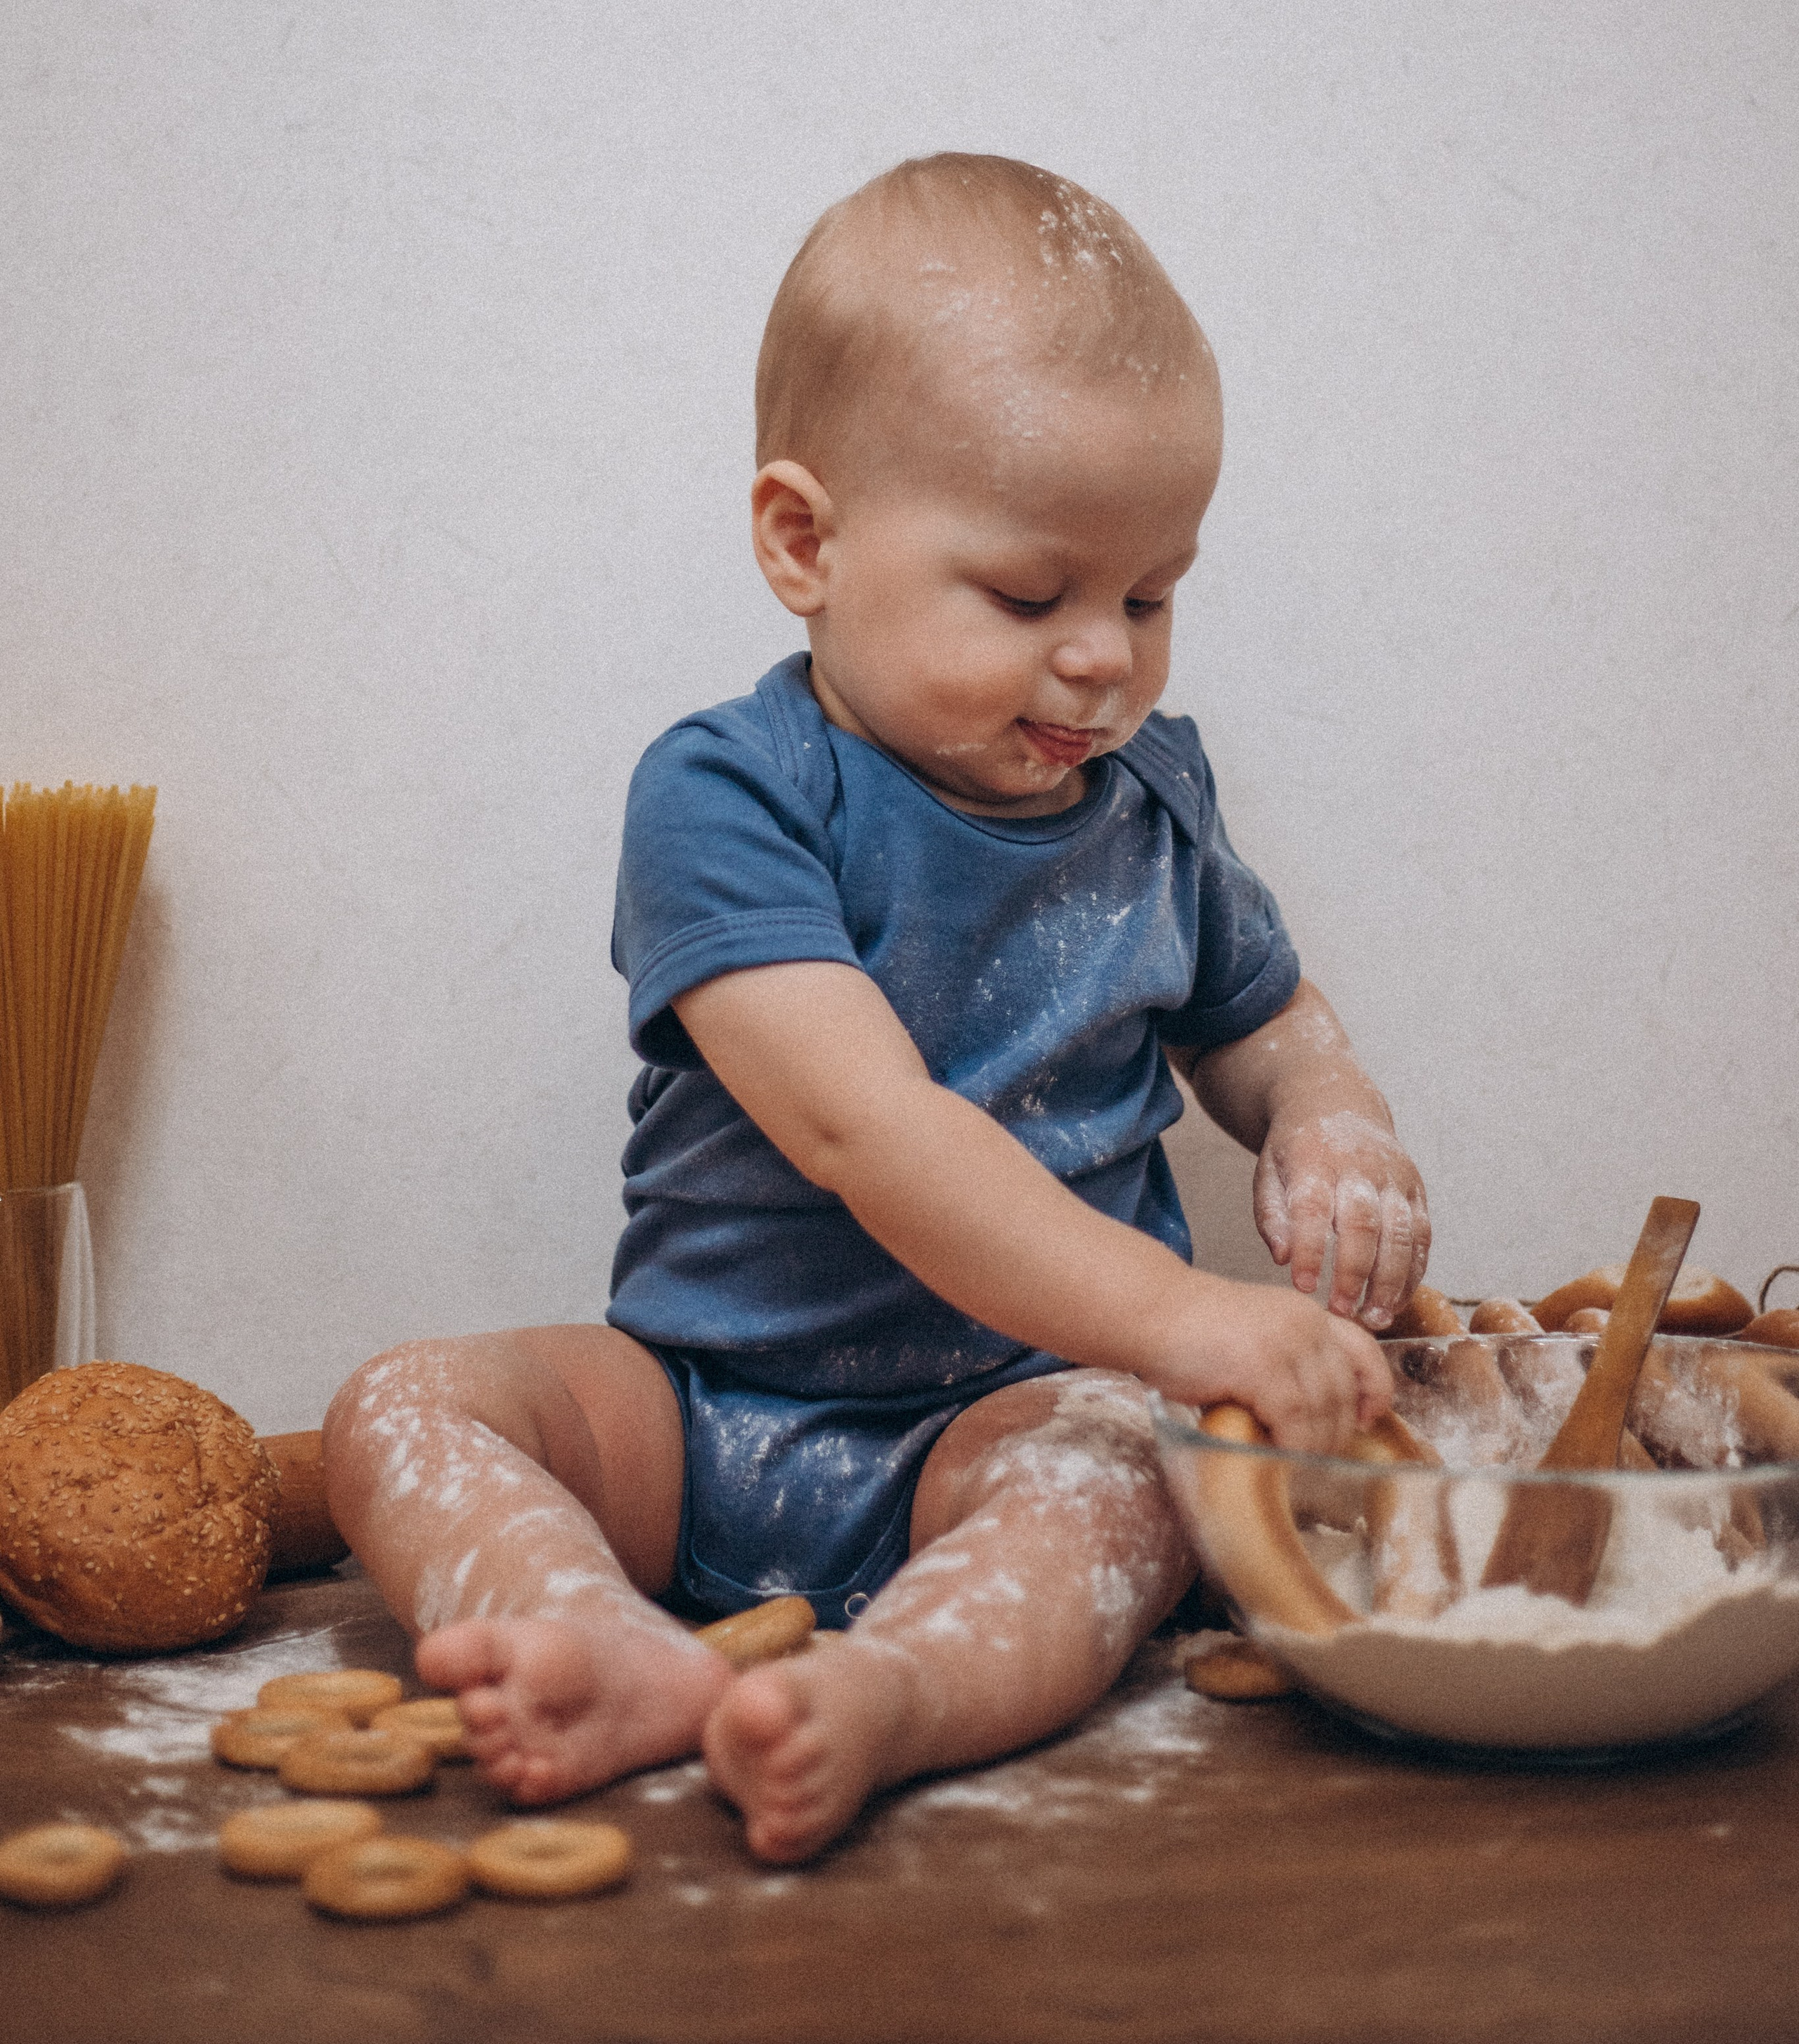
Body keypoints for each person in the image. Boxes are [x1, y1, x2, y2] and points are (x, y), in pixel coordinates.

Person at [322, 152, 1430, 1864]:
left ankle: (893, 1694)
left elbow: (1266, 1022)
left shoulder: (1156, 805)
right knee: (400, 1406)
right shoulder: (729, 793)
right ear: (804, 541)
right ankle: (592, 1634)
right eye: (1029, 594)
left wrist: (1328, 1114)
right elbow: (869, 1130)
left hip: (1005, 1416)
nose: (1103, 661)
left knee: (1122, 1479)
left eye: (1147, 596)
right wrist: (1187, 1315)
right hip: (693, 1413)